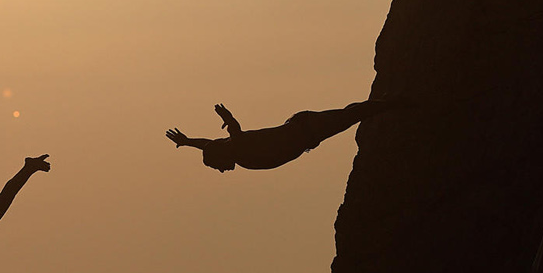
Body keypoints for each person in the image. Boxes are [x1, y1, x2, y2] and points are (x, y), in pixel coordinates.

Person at [165, 99, 409, 172]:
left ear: (222, 155)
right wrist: (187, 142)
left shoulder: (239, 149)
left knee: (351, 115)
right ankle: (385, 103)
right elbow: (209, 144)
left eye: (218, 166)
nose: (221, 171)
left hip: (307, 129)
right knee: (350, 114)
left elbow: (232, 133)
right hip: (304, 128)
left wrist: (227, 117)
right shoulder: (236, 152)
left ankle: (394, 103)